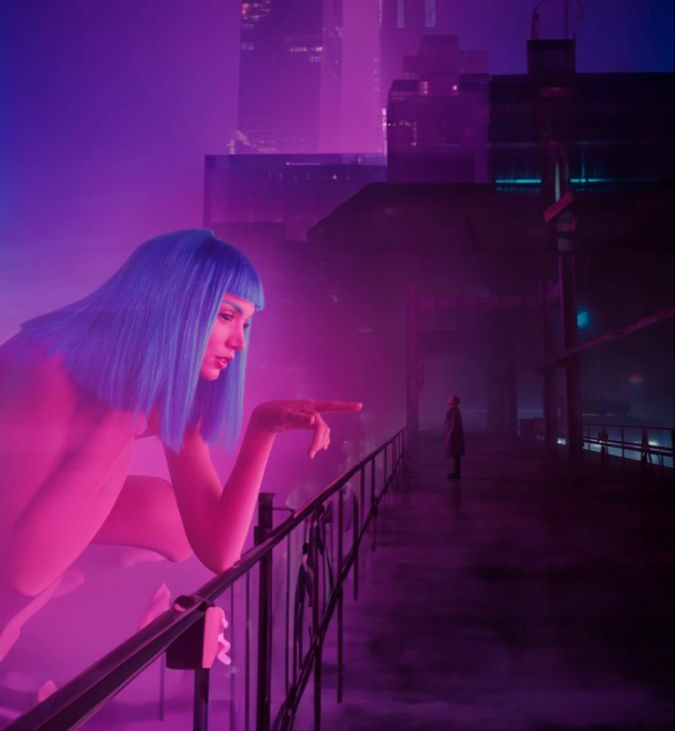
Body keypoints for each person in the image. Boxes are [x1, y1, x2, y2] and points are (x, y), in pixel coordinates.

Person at [0, 229, 362, 662]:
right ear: (172, 305)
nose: (240, 342)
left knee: (168, 517)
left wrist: (262, 430)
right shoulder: (43, 364)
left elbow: (219, 550)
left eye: (246, 323)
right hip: (16, 584)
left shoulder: (164, 393)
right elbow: (23, 572)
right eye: (226, 316)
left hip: (32, 598)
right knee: (155, 511)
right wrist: (123, 419)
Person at [444, 394, 465, 479]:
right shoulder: (455, 411)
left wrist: (450, 435)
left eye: (450, 399)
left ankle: (456, 474)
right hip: (455, 436)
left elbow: (453, 425)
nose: (448, 400)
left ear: (453, 401)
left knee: (455, 454)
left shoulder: (454, 412)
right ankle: (456, 473)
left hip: (454, 436)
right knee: (456, 455)